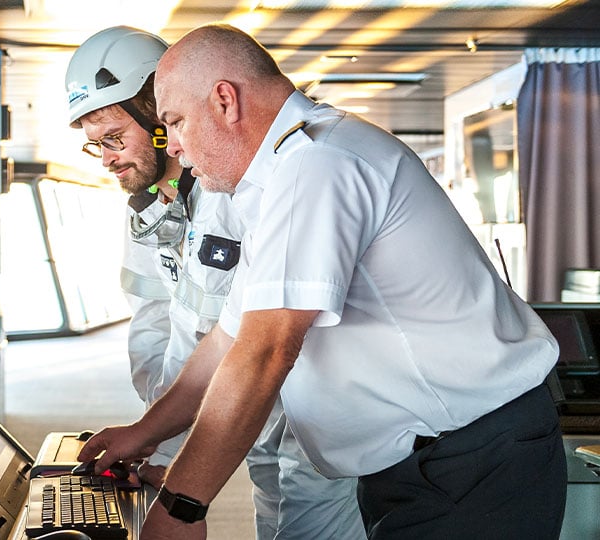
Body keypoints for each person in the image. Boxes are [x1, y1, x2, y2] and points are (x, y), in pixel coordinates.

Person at [79, 23, 566, 540]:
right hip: (418, 463)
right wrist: (144, 433)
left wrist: (181, 508)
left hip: (469, 462)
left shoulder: (320, 164)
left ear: (224, 100)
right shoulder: (282, 176)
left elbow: (265, 351)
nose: (173, 145)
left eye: (176, 122)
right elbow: (229, 337)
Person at [66, 26, 363, 539]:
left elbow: (246, 342)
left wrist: (172, 466)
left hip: (314, 406)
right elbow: (157, 327)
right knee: (275, 514)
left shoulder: (240, 191)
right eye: (98, 146)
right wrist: (153, 439)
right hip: (249, 409)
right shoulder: (149, 212)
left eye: (115, 138)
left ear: (158, 118)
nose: (109, 157)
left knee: (309, 522)